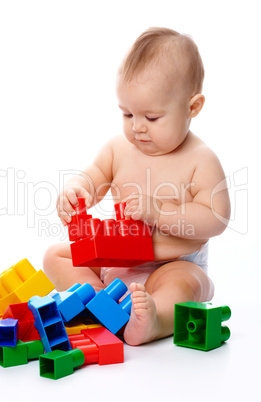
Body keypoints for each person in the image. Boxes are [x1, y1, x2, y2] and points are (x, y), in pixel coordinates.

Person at [43, 27, 230, 346]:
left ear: (193, 107)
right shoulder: (118, 148)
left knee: (187, 284)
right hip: (115, 258)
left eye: (153, 117)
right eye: (127, 113)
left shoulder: (200, 159)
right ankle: (100, 305)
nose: (137, 127)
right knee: (55, 256)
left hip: (170, 264)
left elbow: (217, 218)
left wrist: (160, 213)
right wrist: (76, 189)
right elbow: (94, 177)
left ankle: (155, 319)